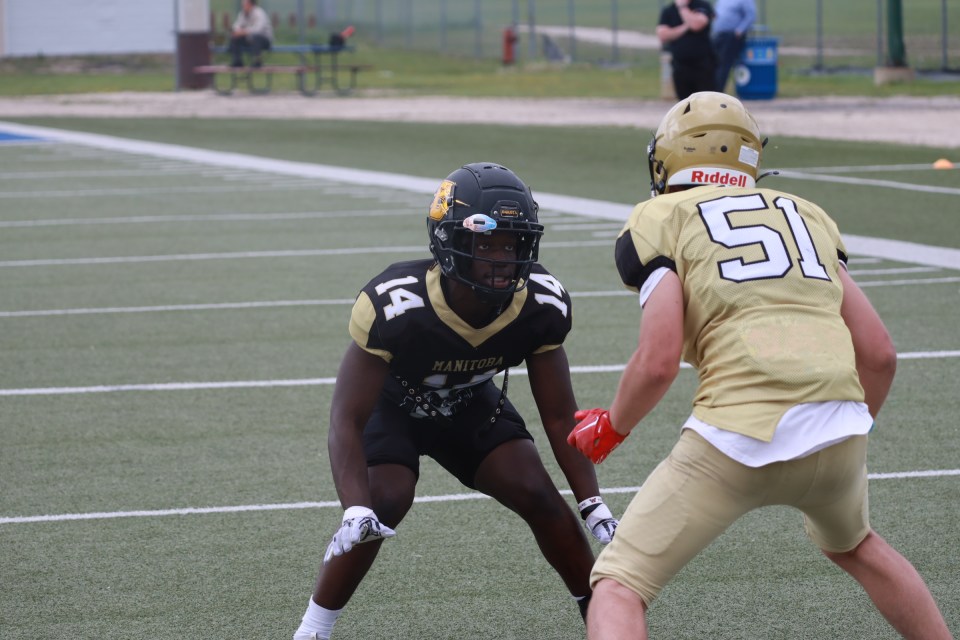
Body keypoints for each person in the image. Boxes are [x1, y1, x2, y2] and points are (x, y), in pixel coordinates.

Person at [567, 92, 954, 640]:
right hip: (840, 428)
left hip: (737, 434)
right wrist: (841, 426)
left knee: (619, 584)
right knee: (858, 546)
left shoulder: (660, 215)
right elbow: (880, 354)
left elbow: (657, 361)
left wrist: (613, 426)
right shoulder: (808, 214)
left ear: (667, 160)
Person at [293, 162, 619, 640]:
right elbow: (346, 417)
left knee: (537, 493)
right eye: (486, 244)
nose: (501, 259)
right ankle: (312, 630)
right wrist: (354, 507)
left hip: (470, 406)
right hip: (395, 408)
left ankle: (605, 622)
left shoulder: (540, 305)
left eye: (512, 244)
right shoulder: (397, 303)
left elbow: (556, 415)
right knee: (385, 500)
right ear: (449, 241)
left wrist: (592, 502)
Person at [656, 0, 716, 100]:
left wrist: (682, 8)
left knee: (705, 100)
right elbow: (663, 35)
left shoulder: (701, 5)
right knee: (684, 102)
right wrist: (685, 26)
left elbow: (696, 25)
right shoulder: (669, 10)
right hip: (680, 64)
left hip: (703, 64)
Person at [712, 0, 756, 93]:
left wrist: (739, 31)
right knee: (713, 63)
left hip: (732, 36)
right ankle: (710, 89)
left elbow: (750, 15)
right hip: (719, 35)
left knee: (724, 64)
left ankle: (717, 91)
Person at [228, 0, 273, 68]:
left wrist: (243, 32)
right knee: (235, 37)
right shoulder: (242, 14)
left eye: (244, 4)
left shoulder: (259, 13)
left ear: (251, 5)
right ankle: (237, 61)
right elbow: (236, 25)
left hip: (264, 40)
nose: (243, 6)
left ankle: (257, 61)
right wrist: (236, 31)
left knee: (256, 37)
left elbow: (258, 29)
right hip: (249, 39)